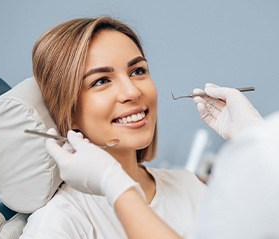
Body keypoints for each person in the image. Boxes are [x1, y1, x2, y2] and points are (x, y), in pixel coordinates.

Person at [20, 16, 262, 239]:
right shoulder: (59, 223)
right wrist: (113, 182)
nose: (132, 91)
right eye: (101, 81)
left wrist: (260, 145)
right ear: (68, 110)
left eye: (138, 71)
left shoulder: (188, 185)